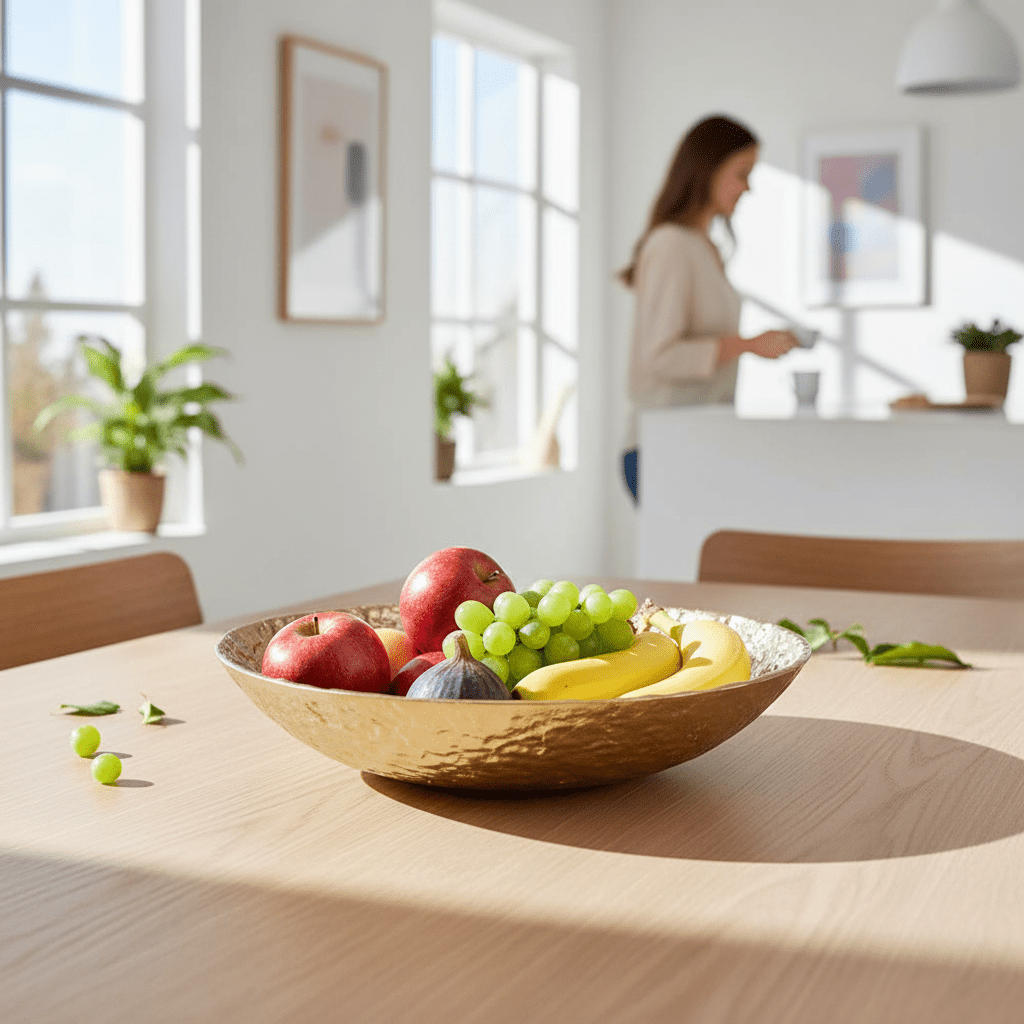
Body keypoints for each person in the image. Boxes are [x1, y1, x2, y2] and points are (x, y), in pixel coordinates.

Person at [620, 114, 799, 502]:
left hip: (697, 442)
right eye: (742, 173)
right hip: (663, 448)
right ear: (708, 169)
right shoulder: (671, 245)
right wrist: (748, 345)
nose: (747, 188)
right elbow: (660, 357)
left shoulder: (707, 249)